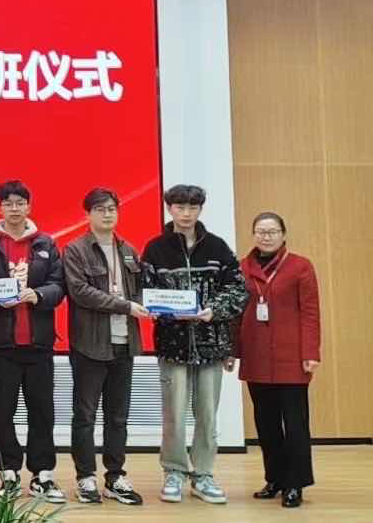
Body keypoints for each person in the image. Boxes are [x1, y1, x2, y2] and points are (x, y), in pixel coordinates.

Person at [141, 184, 248, 505]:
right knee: (173, 414)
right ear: (169, 209)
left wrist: (213, 310)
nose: (186, 214)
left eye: (192, 208)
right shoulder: (155, 249)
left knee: (207, 414)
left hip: (211, 344)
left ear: (200, 210)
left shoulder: (217, 247)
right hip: (172, 344)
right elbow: (146, 290)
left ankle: (203, 474)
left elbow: (238, 289)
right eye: (180, 207)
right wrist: (164, 309)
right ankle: (174, 471)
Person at [0, 180, 66, 504]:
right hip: (0, 345)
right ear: (0, 208)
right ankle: (8, 473)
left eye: (20, 203)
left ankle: (42, 474)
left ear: (29, 206)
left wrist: (39, 295)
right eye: (8, 203)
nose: (15, 208)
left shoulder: (45, 243)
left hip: (38, 343)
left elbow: (59, 285)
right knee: (3, 411)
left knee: (42, 411)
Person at [62, 188, 149, 506]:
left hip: (125, 344)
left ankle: (115, 477)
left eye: (112, 208)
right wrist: (125, 305)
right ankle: (85, 477)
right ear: (87, 214)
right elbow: (80, 292)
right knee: (85, 415)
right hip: (90, 344)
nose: (108, 214)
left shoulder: (128, 250)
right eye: (100, 209)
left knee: (118, 416)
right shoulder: (75, 250)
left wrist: (147, 303)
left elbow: (140, 290)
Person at [235, 212, 321, 509]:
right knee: (266, 423)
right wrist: (233, 351)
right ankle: (275, 479)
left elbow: (310, 312)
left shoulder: (300, 266)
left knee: (295, 424)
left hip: (291, 357)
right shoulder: (242, 268)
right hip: (256, 356)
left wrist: (311, 352)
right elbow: (236, 313)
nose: (266, 236)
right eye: (261, 231)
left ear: (283, 234)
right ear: (253, 234)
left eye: (272, 231)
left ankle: (295, 483)